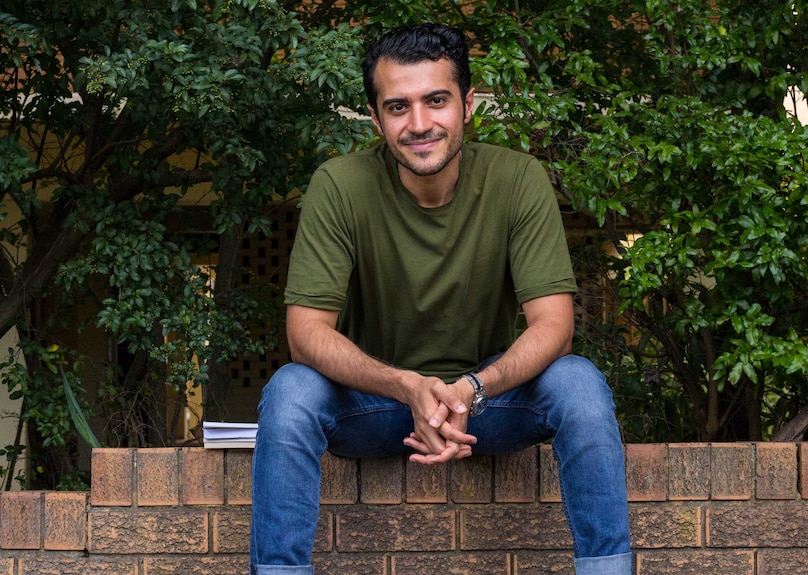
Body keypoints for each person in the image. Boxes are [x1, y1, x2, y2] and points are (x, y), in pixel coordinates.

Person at [249, 23, 632, 575]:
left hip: (487, 404)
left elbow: (554, 326)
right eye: (398, 107)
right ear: (377, 118)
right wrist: (409, 387)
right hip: (377, 405)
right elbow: (305, 333)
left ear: (468, 104)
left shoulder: (517, 178)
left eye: (436, 100)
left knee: (578, 381)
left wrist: (472, 389)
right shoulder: (339, 185)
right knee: (290, 391)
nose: (420, 123)